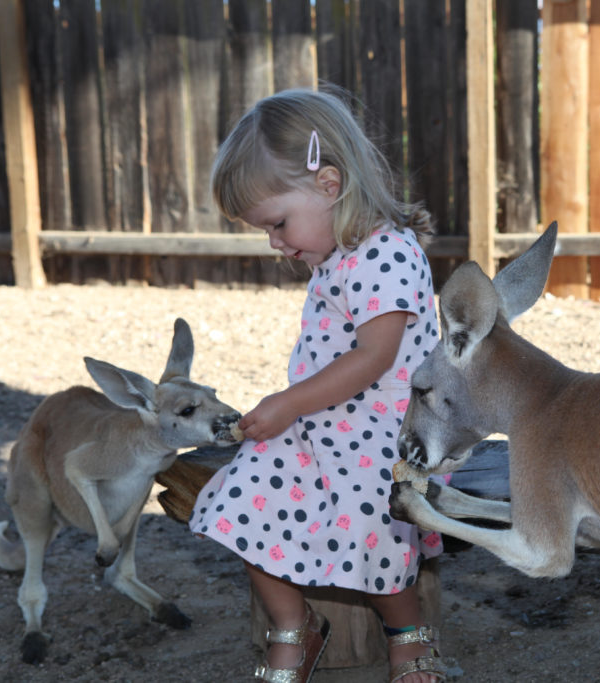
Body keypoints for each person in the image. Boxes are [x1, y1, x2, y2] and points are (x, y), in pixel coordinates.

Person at [189, 87, 446, 683]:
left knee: (374, 526)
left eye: (278, 223)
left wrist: (288, 402)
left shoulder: (388, 254)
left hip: (385, 434)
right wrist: (287, 414)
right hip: (319, 424)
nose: (275, 242)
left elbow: (374, 358)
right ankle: (293, 627)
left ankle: (406, 635)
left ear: (329, 185)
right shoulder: (335, 252)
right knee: (243, 504)